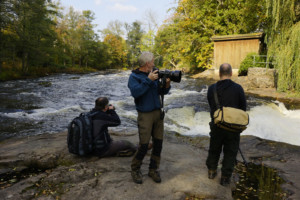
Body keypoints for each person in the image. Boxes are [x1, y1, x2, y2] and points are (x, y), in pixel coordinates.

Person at [128, 51, 171, 184]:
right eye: (152, 61)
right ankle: (135, 169)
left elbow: (161, 91)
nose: (154, 63)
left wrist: (167, 85)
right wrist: (149, 80)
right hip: (145, 114)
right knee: (144, 145)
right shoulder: (134, 77)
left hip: (157, 112)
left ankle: (153, 169)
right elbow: (136, 93)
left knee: (158, 143)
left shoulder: (154, 72)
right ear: (147, 63)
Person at [206, 63, 247, 186]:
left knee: (214, 148)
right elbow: (243, 108)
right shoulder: (238, 88)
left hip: (217, 124)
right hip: (233, 127)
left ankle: (212, 171)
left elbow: (211, 106)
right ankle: (225, 177)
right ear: (231, 73)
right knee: (230, 151)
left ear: (219, 74)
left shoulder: (211, 89)